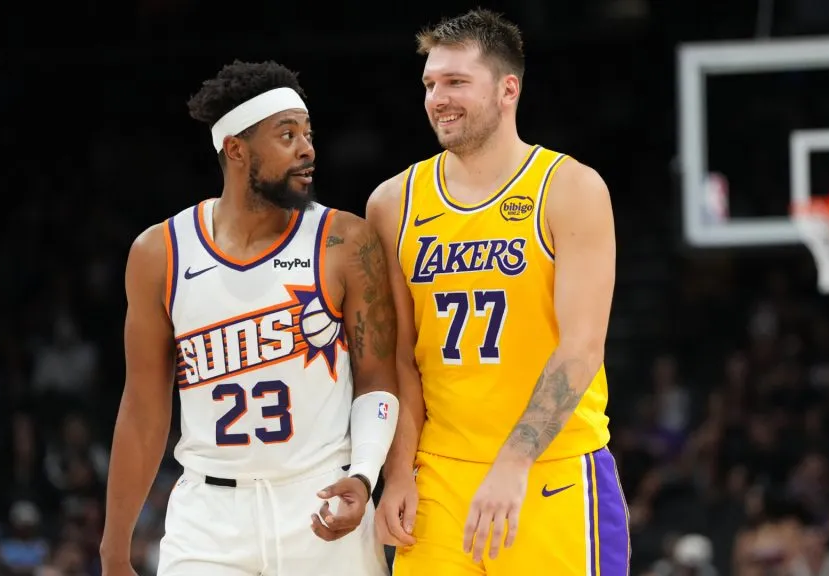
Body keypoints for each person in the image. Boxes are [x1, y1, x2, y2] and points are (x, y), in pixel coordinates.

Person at [99, 59, 398, 576]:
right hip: (210, 517)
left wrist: (365, 474)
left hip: (322, 499)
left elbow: (376, 379)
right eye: (286, 135)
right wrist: (113, 548)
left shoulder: (344, 241)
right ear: (236, 149)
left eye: (308, 133)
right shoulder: (160, 253)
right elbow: (145, 409)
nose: (307, 148)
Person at [367, 9, 629, 575]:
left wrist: (513, 463)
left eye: (457, 82)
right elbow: (401, 359)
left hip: (550, 472)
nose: (438, 98)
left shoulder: (570, 188)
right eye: (431, 84)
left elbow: (581, 348)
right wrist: (399, 473)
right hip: (439, 476)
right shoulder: (393, 203)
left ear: (508, 89)